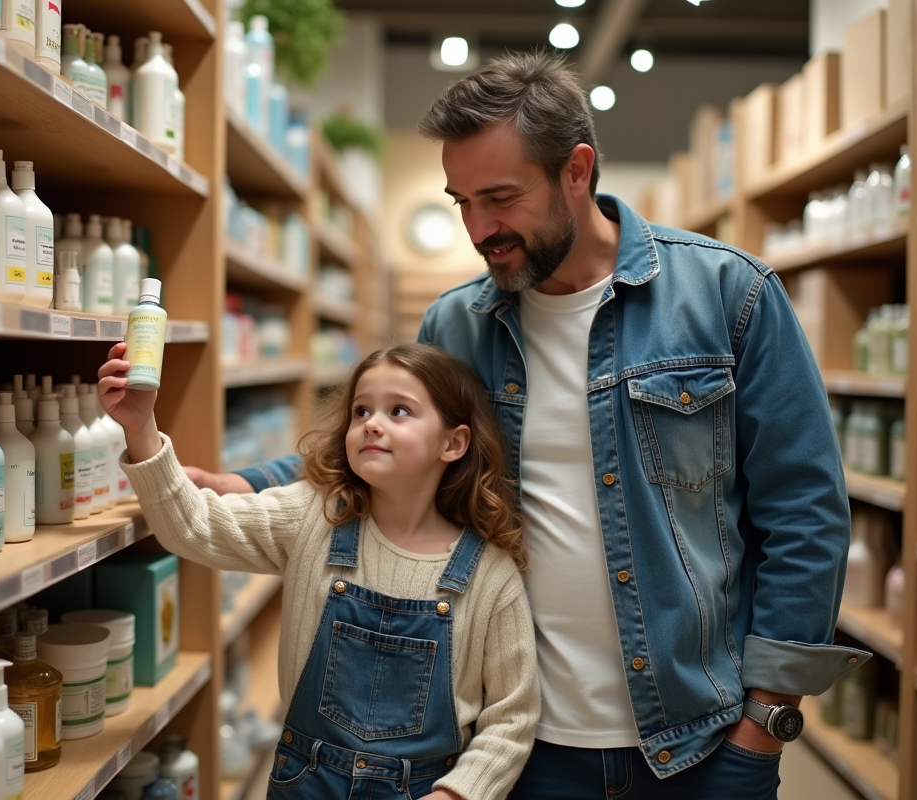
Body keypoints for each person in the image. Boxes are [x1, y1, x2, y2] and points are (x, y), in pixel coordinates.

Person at [188, 51, 871, 799]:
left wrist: (764, 724)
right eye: (461, 202)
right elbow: (387, 448)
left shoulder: (727, 296)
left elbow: (804, 511)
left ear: (577, 170)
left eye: (501, 198)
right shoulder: (456, 323)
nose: (480, 228)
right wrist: (245, 485)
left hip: (698, 744)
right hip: (515, 746)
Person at [99, 341, 539, 800]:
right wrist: (140, 426)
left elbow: (512, 717)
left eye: (399, 411)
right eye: (361, 410)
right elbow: (193, 525)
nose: (372, 423)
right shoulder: (314, 518)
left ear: (453, 443)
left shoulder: (489, 573)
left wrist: (458, 794)